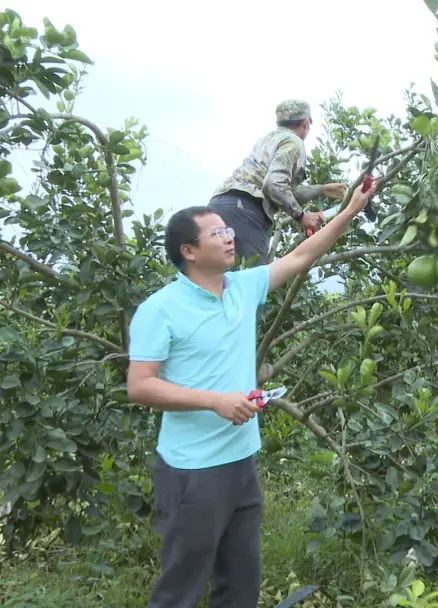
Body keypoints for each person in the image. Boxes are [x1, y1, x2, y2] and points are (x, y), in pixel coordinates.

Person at [126, 179, 378, 607]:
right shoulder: (160, 309)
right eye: (218, 234)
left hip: (239, 463)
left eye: (228, 230)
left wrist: (350, 210)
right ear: (188, 251)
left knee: (241, 584)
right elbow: (140, 385)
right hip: (191, 472)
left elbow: (301, 256)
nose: (230, 238)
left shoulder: (241, 288)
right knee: (180, 589)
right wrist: (216, 401)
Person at [209, 100, 347, 264]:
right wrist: (301, 216)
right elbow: (274, 185)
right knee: (252, 281)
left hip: (218, 206)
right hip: (245, 211)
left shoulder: (268, 139)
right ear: (305, 123)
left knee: (216, 279)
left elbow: (283, 188)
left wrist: (321, 189)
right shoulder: (293, 142)